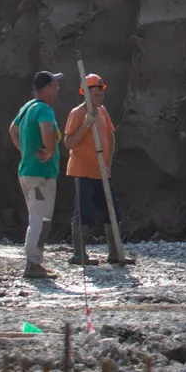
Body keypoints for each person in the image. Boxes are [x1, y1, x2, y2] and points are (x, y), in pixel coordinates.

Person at [63, 72, 130, 266]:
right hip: (82, 171)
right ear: (86, 94)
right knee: (83, 212)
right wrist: (85, 125)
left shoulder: (103, 112)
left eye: (102, 94)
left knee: (112, 211)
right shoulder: (77, 113)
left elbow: (110, 137)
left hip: (101, 172)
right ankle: (79, 254)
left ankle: (116, 252)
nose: (100, 98)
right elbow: (69, 142)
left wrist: (107, 164)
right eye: (97, 94)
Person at [8, 71, 65, 280]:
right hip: (41, 174)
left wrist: (24, 150)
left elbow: (12, 129)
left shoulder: (26, 107)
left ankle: (35, 261)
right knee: (39, 219)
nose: (57, 89)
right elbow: (46, 130)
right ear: (46, 88)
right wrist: (49, 151)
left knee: (41, 218)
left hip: (27, 171)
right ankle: (32, 263)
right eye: (54, 85)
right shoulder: (44, 109)